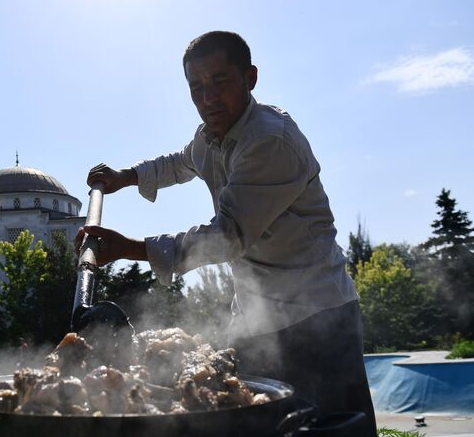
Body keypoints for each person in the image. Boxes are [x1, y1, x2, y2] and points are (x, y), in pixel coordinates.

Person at [77, 31, 377, 436]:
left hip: (316, 315)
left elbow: (229, 235)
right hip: (255, 319)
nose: (208, 98)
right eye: (196, 88)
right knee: (255, 423)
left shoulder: (269, 140)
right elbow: (180, 163)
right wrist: (126, 177)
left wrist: (129, 247)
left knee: (329, 429)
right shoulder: (209, 136)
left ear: (250, 78)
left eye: (220, 82)